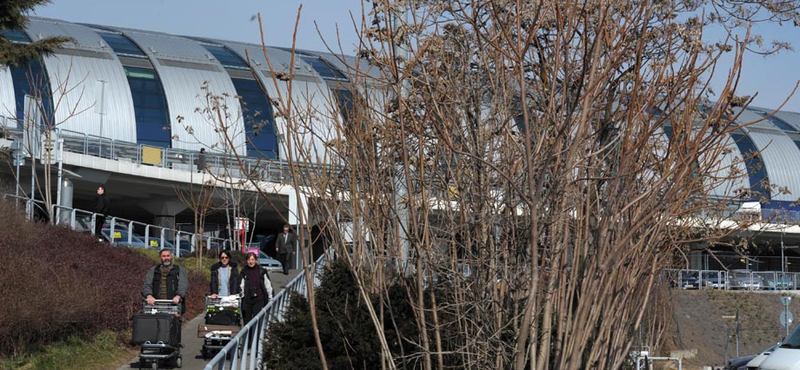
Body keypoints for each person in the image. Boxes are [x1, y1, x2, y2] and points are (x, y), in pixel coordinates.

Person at [142, 249, 189, 314]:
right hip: (156, 304)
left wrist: (178, 296)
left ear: (171, 257)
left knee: (173, 323)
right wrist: (149, 295)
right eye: (164, 256)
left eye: (168, 256)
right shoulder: (153, 270)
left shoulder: (179, 270)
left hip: (174, 304)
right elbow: (147, 284)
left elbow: (183, 285)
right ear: (160, 258)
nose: (166, 258)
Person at [239, 252, 273, 324]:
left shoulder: (261, 271)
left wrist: (270, 298)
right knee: (247, 321)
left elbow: (268, 285)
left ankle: (257, 335)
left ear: (256, 260)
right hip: (247, 299)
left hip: (259, 299)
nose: (250, 262)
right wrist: (241, 294)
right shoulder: (244, 271)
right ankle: (249, 335)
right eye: (249, 260)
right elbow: (241, 285)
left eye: (252, 259)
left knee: (257, 320)